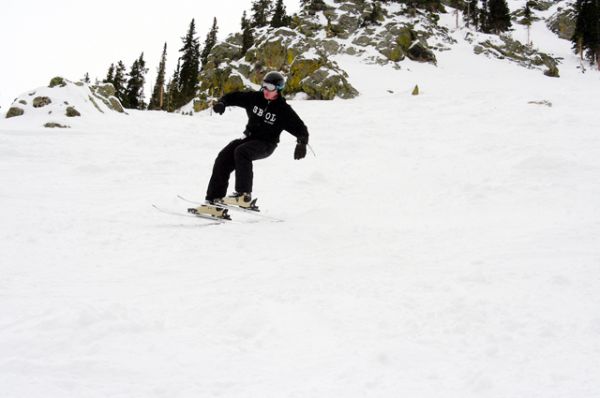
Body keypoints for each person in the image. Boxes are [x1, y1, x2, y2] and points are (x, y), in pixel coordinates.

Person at [204, 71, 309, 209]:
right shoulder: (254, 98)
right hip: (248, 138)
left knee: (242, 152)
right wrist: (223, 103)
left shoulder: (283, 110)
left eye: (270, 87)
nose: (266, 90)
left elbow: (301, 129)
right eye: (264, 85)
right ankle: (213, 202)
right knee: (223, 157)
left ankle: (244, 196)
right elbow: (234, 97)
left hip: (266, 144)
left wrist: (302, 143)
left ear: (278, 89)